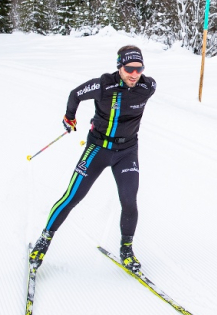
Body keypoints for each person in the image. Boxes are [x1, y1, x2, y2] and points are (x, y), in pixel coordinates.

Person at [29, 45, 157, 272]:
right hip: (97, 149)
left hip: (127, 152)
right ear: (120, 67)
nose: (134, 74)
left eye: (139, 69)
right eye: (129, 68)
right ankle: (44, 240)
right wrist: (69, 118)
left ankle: (126, 250)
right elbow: (75, 94)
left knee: (129, 200)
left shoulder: (148, 86)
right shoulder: (103, 84)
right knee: (72, 197)